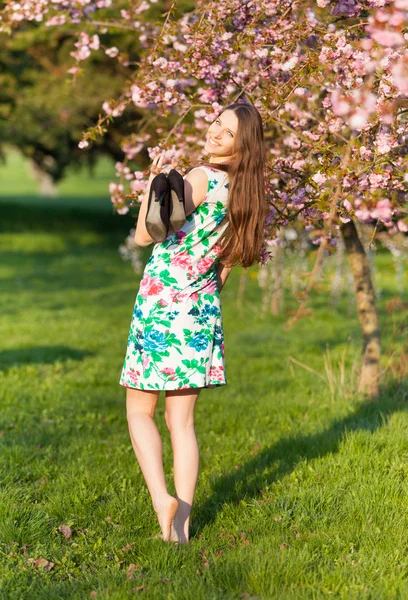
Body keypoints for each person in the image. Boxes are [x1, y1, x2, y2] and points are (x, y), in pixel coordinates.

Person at [119, 102, 267, 544]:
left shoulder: (200, 178)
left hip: (163, 302)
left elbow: (148, 234)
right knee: (181, 423)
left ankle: (162, 498)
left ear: (242, 146)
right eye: (215, 125)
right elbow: (223, 268)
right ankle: (180, 529)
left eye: (227, 133)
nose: (214, 134)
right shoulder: (247, 195)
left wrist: (153, 186)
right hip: (201, 308)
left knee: (138, 410)